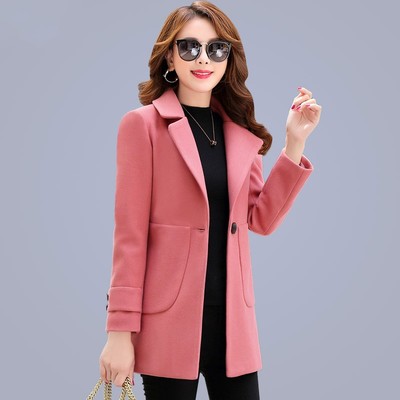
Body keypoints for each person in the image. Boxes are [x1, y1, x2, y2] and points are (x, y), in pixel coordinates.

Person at [99, 1, 321, 399]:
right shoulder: (142, 126)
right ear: (170, 56)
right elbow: (129, 238)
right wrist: (119, 332)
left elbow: (261, 220)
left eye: (217, 49)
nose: (203, 59)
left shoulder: (240, 132)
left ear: (228, 58)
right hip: (167, 323)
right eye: (189, 47)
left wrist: (294, 143)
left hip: (234, 325)